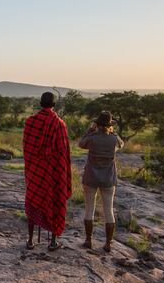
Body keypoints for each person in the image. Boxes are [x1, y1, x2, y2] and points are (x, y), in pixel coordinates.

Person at [23, 91, 72, 251]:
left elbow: (27, 149)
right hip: (53, 173)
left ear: (40, 103)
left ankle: (30, 241)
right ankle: (52, 242)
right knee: (54, 201)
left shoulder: (30, 122)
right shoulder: (60, 124)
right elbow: (63, 153)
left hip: (35, 172)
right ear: (54, 105)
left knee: (33, 201)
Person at [78, 110, 124, 252]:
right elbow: (121, 144)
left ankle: (88, 240)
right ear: (110, 124)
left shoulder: (92, 137)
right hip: (108, 178)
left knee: (89, 208)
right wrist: (113, 133)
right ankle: (108, 243)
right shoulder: (114, 138)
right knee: (108, 210)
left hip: (91, 176)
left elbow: (81, 144)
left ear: (96, 124)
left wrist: (90, 130)